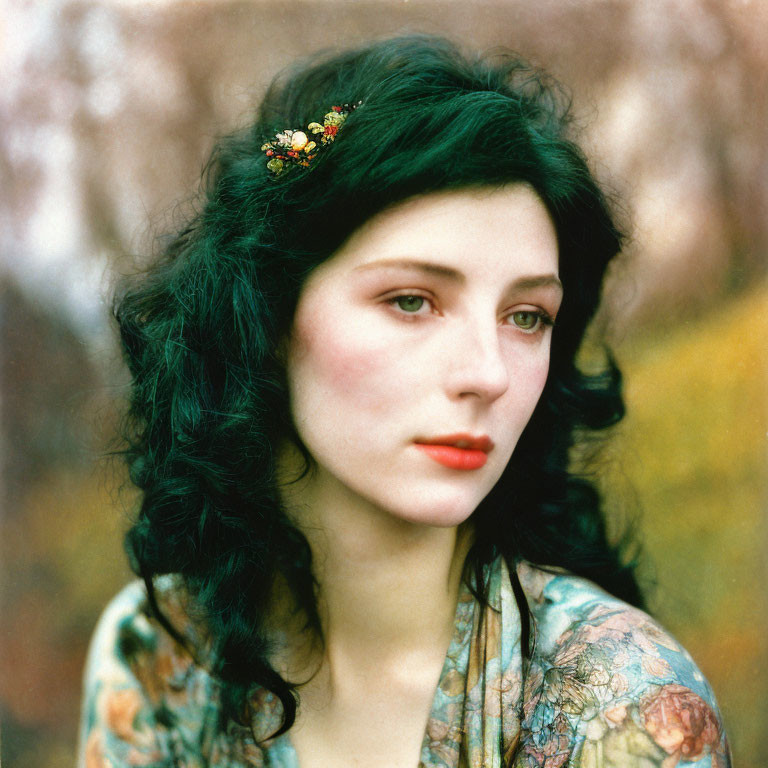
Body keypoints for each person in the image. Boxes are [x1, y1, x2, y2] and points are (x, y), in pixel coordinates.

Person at [77, 35, 730, 768]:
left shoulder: (624, 701)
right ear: (264, 315)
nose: (488, 374)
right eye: (412, 300)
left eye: (526, 316)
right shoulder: (159, 657)